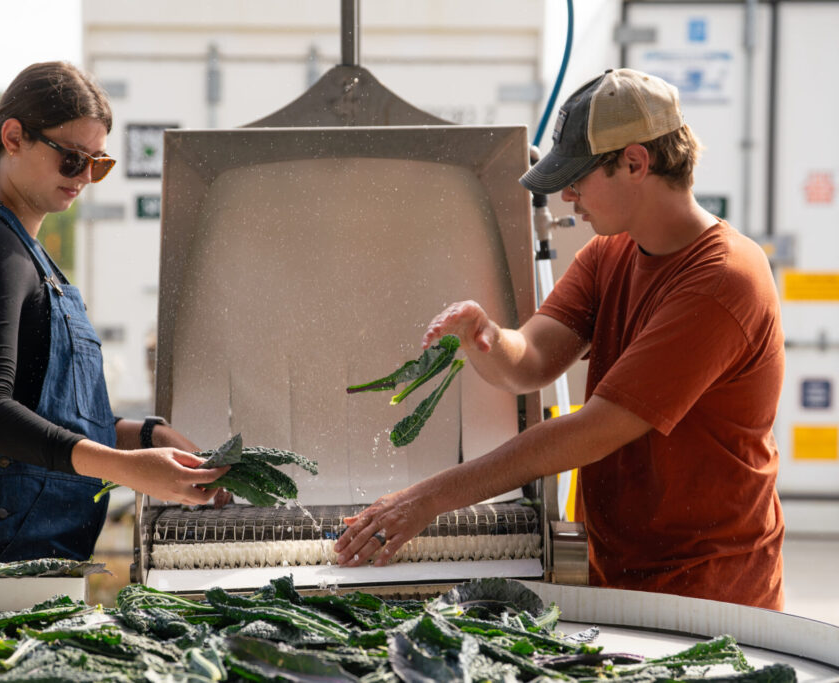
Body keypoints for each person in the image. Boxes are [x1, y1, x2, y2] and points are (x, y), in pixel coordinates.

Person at [334, 68, 785, 610]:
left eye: (579, 177)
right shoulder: (609, 254)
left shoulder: (722, 280)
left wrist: (430, 499)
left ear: (636, 163)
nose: (568, 196)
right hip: (619, 574)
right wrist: (488, 336)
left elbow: (596, 429)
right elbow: (531, 363)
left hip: (713, 591)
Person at [0, 62, 229, 578]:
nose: (84, 179)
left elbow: (49, 418)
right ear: (14, 137)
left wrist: (146, 437)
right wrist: (128, 471)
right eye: (73, 160)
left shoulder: (24, 250)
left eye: (98, 164)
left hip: (26, 553)